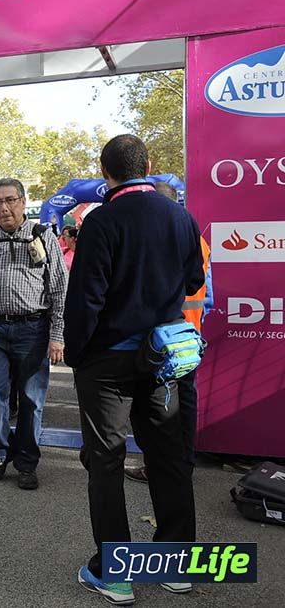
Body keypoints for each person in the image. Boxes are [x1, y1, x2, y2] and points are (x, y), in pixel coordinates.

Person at [65, 135, 204, 604]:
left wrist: (78, 354)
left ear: (106, 173)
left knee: (105, 462)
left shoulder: (101, 221)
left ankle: (115, 572)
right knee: (168, 456)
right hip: (165, 356)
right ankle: (178, 565)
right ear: (148, 164)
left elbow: (85, 299)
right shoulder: (181, 217)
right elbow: (193, 280)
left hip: (108, 361)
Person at [0, 178, 67, 490]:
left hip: (33, 330)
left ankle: (26, 462)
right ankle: (0, 452)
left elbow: (60, 288)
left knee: (32, 400)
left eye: (10, 200)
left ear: (23, 201)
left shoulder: (43, 236)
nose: (4, 208)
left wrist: (57, 334)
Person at [125, 182, 213, 484]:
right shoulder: (197, 240)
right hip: (189, 339)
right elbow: (208, 296)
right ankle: (183, 464)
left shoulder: (156, 238)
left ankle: (157, 466)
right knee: (185, 404)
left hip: (159, 339)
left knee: (153, 407)